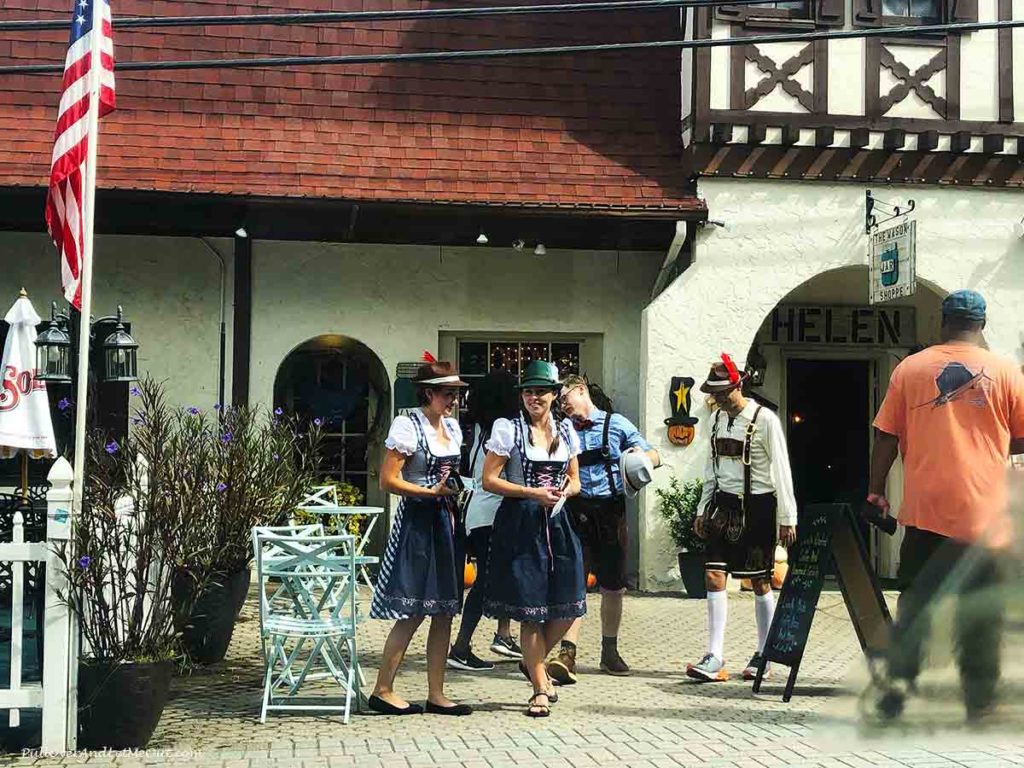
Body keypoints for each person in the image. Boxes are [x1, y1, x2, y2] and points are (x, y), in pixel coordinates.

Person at [868, 289, 1024, 721]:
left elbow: (886, 436)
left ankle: (896, 691)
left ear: (943, 321)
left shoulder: (909, 369)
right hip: (986, 519)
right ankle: (978, 702)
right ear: (983, 325)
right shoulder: (1007, 371)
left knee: (915, 606)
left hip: (924, 513)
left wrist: (875, 490)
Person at [367, 359, 473, 716]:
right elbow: (388, 481)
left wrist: (455, 490)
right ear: (429, 393)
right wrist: (429, 492)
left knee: (444, 611)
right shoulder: (407, 425)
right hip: (418, 522)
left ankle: (437, 693)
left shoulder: (453, 429)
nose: (454, 400)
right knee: (412, 610)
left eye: (457, 393)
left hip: (448, 522)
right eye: (448, 393)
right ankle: (382, 689)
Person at [482, 360, 584, 717]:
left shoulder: (566, 430)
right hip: (520, 522)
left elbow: (576, 479)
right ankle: (540, 687)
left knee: (569, 603)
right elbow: (489, 480)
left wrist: (564, 493)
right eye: (528, 391)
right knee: (529, 610)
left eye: (540, 391)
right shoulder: (507, 429)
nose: (533, 397)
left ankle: (532, 661)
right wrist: (530, 492)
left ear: (554, 395)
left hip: (557, 522)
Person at [687, 354, 797, 683]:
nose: (718, 398)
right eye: (714, 392)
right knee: (713, 576)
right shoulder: (716, 420)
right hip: (723, 505)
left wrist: (787, 516)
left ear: (739, 385)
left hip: (759, 507)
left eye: (723, 391)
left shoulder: (765, 419)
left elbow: (782, 469)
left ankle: (764, 653)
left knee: (760, 579)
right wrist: (702, 509)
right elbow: (712, 469)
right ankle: (715, 655)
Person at [547, 374, 661, 682]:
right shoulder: (562, 429)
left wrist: (640, 458)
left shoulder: (617, 424)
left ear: (581, 390)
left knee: (613, 585)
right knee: (574, 582)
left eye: (564, 398)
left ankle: (609, 651)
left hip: (611, 511)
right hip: (576, 510)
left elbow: (654, 454)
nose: (561, 405)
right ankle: (567, 653)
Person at [447, 369, 524, 671]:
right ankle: (461, 646)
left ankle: (503, 634)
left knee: (499, 575)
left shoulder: (479, 427)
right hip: (494, 512)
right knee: (488, 582)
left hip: (476, 512)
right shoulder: (504, 431)